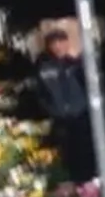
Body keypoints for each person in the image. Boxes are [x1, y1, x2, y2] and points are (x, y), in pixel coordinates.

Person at [37, 29, 96, 185]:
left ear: (67, 43)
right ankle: (76, 182)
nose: (57, 46)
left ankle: (90, 182)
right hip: (61, 117)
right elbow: (41, 93)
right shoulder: (44, 68)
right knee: (68, 152)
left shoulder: (76, 64)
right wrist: (51, 109)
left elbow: (89, 86)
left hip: (81, 114)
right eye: (53, 43)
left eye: (60, 42)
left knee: (86, 150)